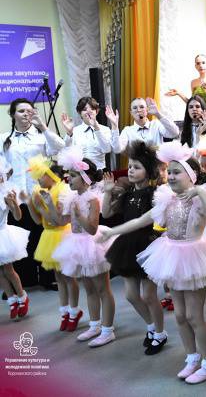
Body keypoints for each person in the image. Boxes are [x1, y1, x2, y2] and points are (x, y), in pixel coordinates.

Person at [99, 141, 206, 384]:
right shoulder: (167, 199)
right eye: (170, 172)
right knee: (179, 316)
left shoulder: (200, 199)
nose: (172, 176)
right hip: (172, 256)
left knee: (194, 316)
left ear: (191, 176)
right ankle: (192, 358)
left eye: (177, 172)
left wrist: (200, 192)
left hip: (194, 258)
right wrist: (112, 231)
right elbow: (141, 221)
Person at [101, 141, 167, 355]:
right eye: (129, 166)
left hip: (148, 245)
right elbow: (106, 214)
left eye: (136, 167)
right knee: (130, 295)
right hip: (128, 246)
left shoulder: (154, 194)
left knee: (149, 296)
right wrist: (108, 192)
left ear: (148, 171)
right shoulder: (127, 193)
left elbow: (157, 220)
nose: (130, 170)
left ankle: (160, 333)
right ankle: (151, 326)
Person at [52, 147, 115, 347]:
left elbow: (92, 229)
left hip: (92, 245)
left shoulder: (92, 199)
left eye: (72, 176)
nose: (68, 179)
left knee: (103, 289)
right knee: (88, 288)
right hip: (77, 244)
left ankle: (107, 330)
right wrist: (51, 207)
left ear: (85, 179)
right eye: (68, 175)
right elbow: (60, 221)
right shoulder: (72, 198)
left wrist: (79, 217)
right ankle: (94, 325)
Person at [1, 99, 65, 288]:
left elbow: (59, 147)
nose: (26, 114)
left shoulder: (41, 135)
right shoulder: (4, 138)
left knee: (42, 235)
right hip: (15, 196)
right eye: (21, 111)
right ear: (13, 114)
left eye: (29, 111)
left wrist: (43, 126)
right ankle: (24, 281)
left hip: (39, 194)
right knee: (20, 239)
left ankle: (48, 278)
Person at [21, 157, 78, 331]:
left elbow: (57, 221)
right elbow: (38, 221)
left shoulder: (63, 191)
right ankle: (64, 312)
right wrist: (30, 204)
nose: (38, 179)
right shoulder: (40, 191)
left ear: (53, 176)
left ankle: (74, 312)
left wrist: (41, 207)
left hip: (63, 235)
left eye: (41, 175)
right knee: (59, 277)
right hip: (49, 236)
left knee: (68, 277)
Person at [0, 157, 30, 319]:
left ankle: (22, 297)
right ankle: (11, 300)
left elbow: (18, 217)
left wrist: (14, 205)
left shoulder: (6, 194)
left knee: (8, 270)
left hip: (3, 235)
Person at [106, 98, 180, 154]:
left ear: (147, 110)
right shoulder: (127, 130)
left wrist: (158, 114)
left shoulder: (156, 124)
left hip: (156, 166)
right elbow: (117, 149)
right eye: (135, 108)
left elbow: (175, 133)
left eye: (141, 107)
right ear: (131, 113)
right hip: (137, 167)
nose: (138, 110)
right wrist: (115, 126)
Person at [165, 53, 206, 122]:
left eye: (203, 63)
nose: (201, 65)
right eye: (198, 63)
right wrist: (178, 93)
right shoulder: (193, 83)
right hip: (198, 117)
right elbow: (191, 103)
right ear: (195, 66)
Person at [60, 97, 112, 170]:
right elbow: (65, 150)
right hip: (80, 172)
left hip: (99, 172)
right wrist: (69, 133)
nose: (88, 112)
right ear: (79, 113)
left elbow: (107, 149)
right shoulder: (74, 130)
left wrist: (96, 128)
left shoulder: (105, 129)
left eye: (92, 109)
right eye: (84, 109)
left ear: (97, 111)